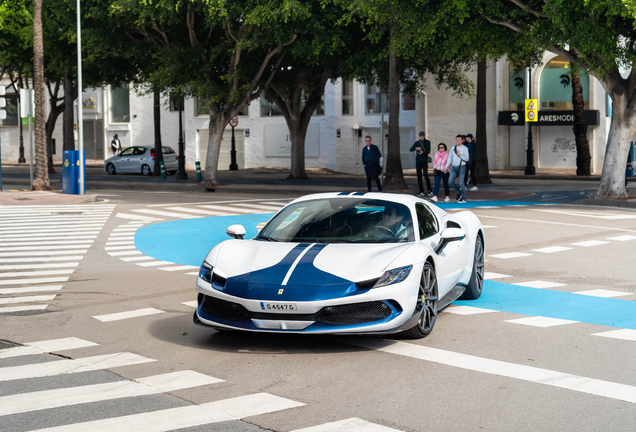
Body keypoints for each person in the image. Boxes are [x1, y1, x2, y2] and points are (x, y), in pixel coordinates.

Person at [445, 134, 470, 203]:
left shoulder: (465, 148)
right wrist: (446, 167)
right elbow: (450, 158)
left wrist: (460, 155)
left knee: (461, 183)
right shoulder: (453, 148)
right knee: (451, 181)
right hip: (454, 167)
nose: (457, 141)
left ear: (462, 140)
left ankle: (463, 197)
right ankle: (459, 192)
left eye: (459, 139)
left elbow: (467, 159)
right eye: (456, 139)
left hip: (462, 167)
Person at [410, 131, 433, 197]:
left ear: (424, 136)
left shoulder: (427, 142)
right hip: (418, 161)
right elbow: (411, 149)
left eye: (422, 137)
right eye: (420, 137)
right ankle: (421, 191)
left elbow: (428, 151)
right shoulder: (417, 143)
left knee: (426, 176)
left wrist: (422, 152)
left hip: (424, 160)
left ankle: (430, 190)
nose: (421, 138)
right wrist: (416, 148)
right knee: (419, 176)